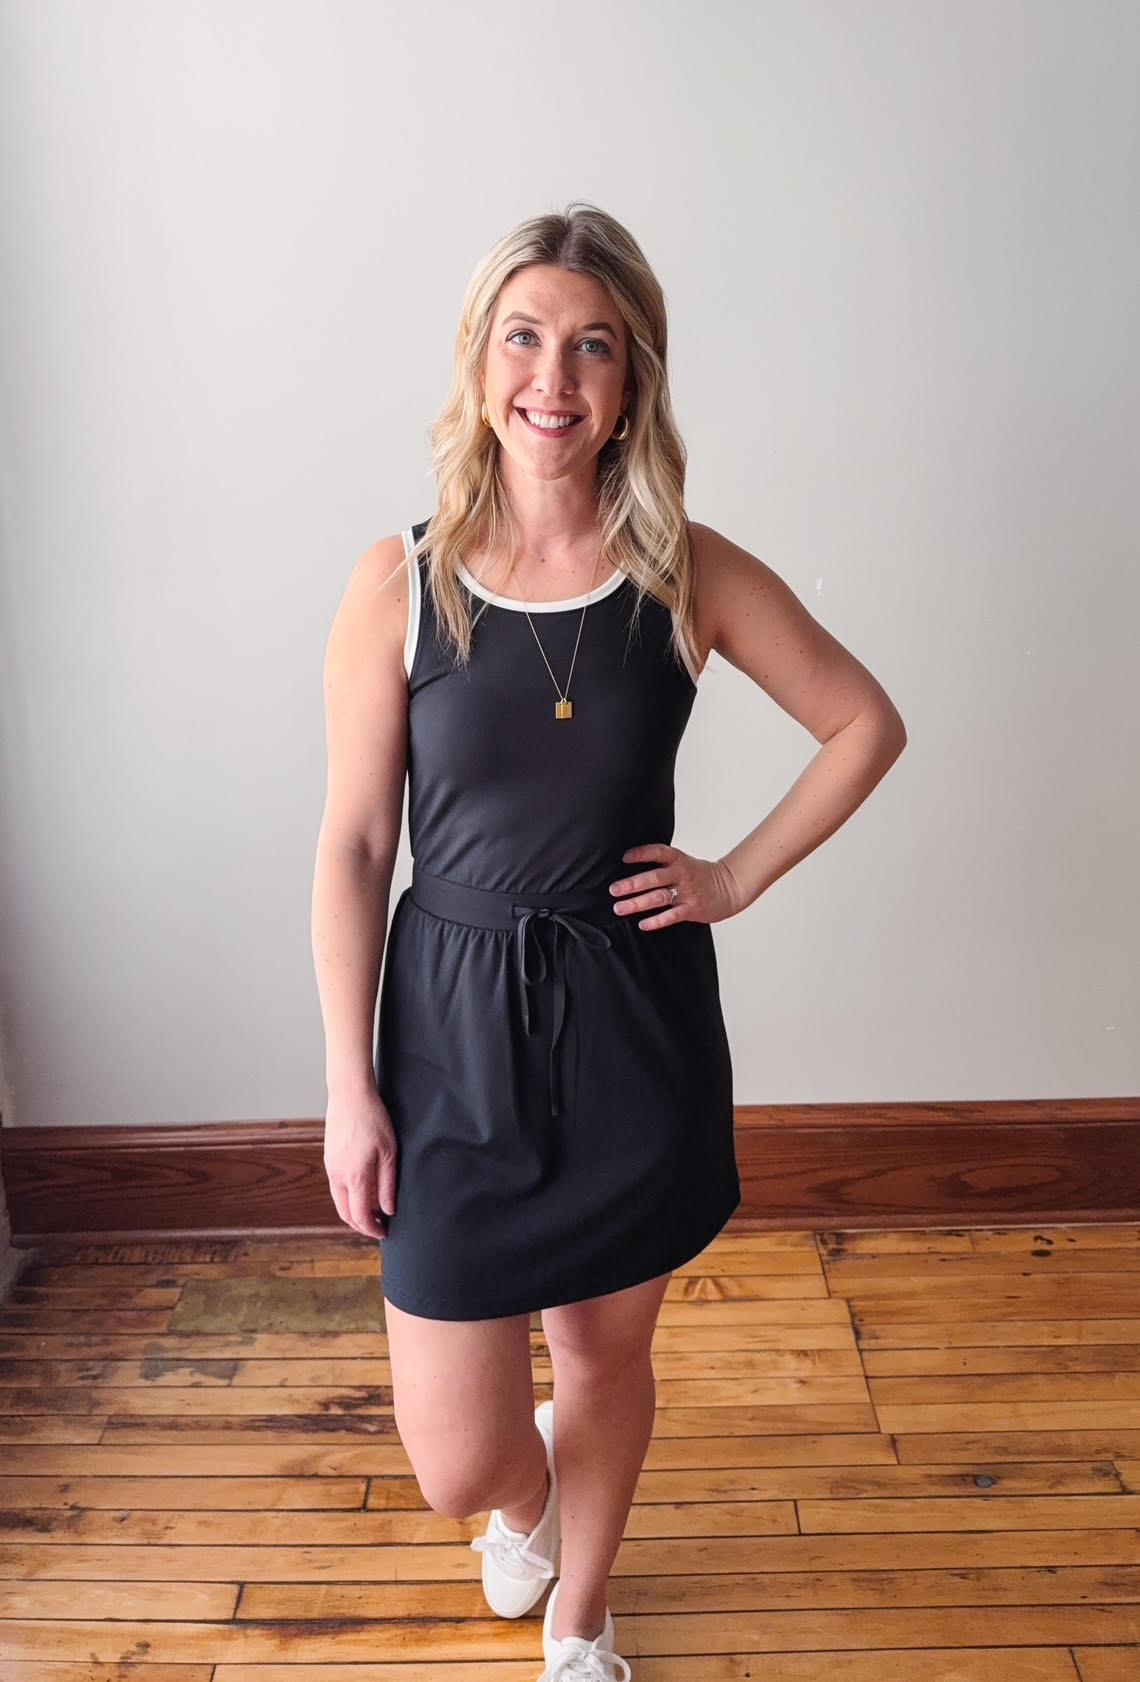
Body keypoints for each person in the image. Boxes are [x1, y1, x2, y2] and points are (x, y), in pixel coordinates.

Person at [311, 202, 906, 1682]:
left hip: (632, 1020)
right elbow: (355, 845)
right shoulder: (400, 579)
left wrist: (735, 875)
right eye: (525, 336)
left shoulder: (683, 572)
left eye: (593, 346)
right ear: (479, 358)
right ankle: (524, 1503)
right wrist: (346, 1079)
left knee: (600, 1354)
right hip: (449, 1032)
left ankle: (581, 1610)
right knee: (456, 1457)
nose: (554, 378)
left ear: (633, 378)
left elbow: (862, 723)